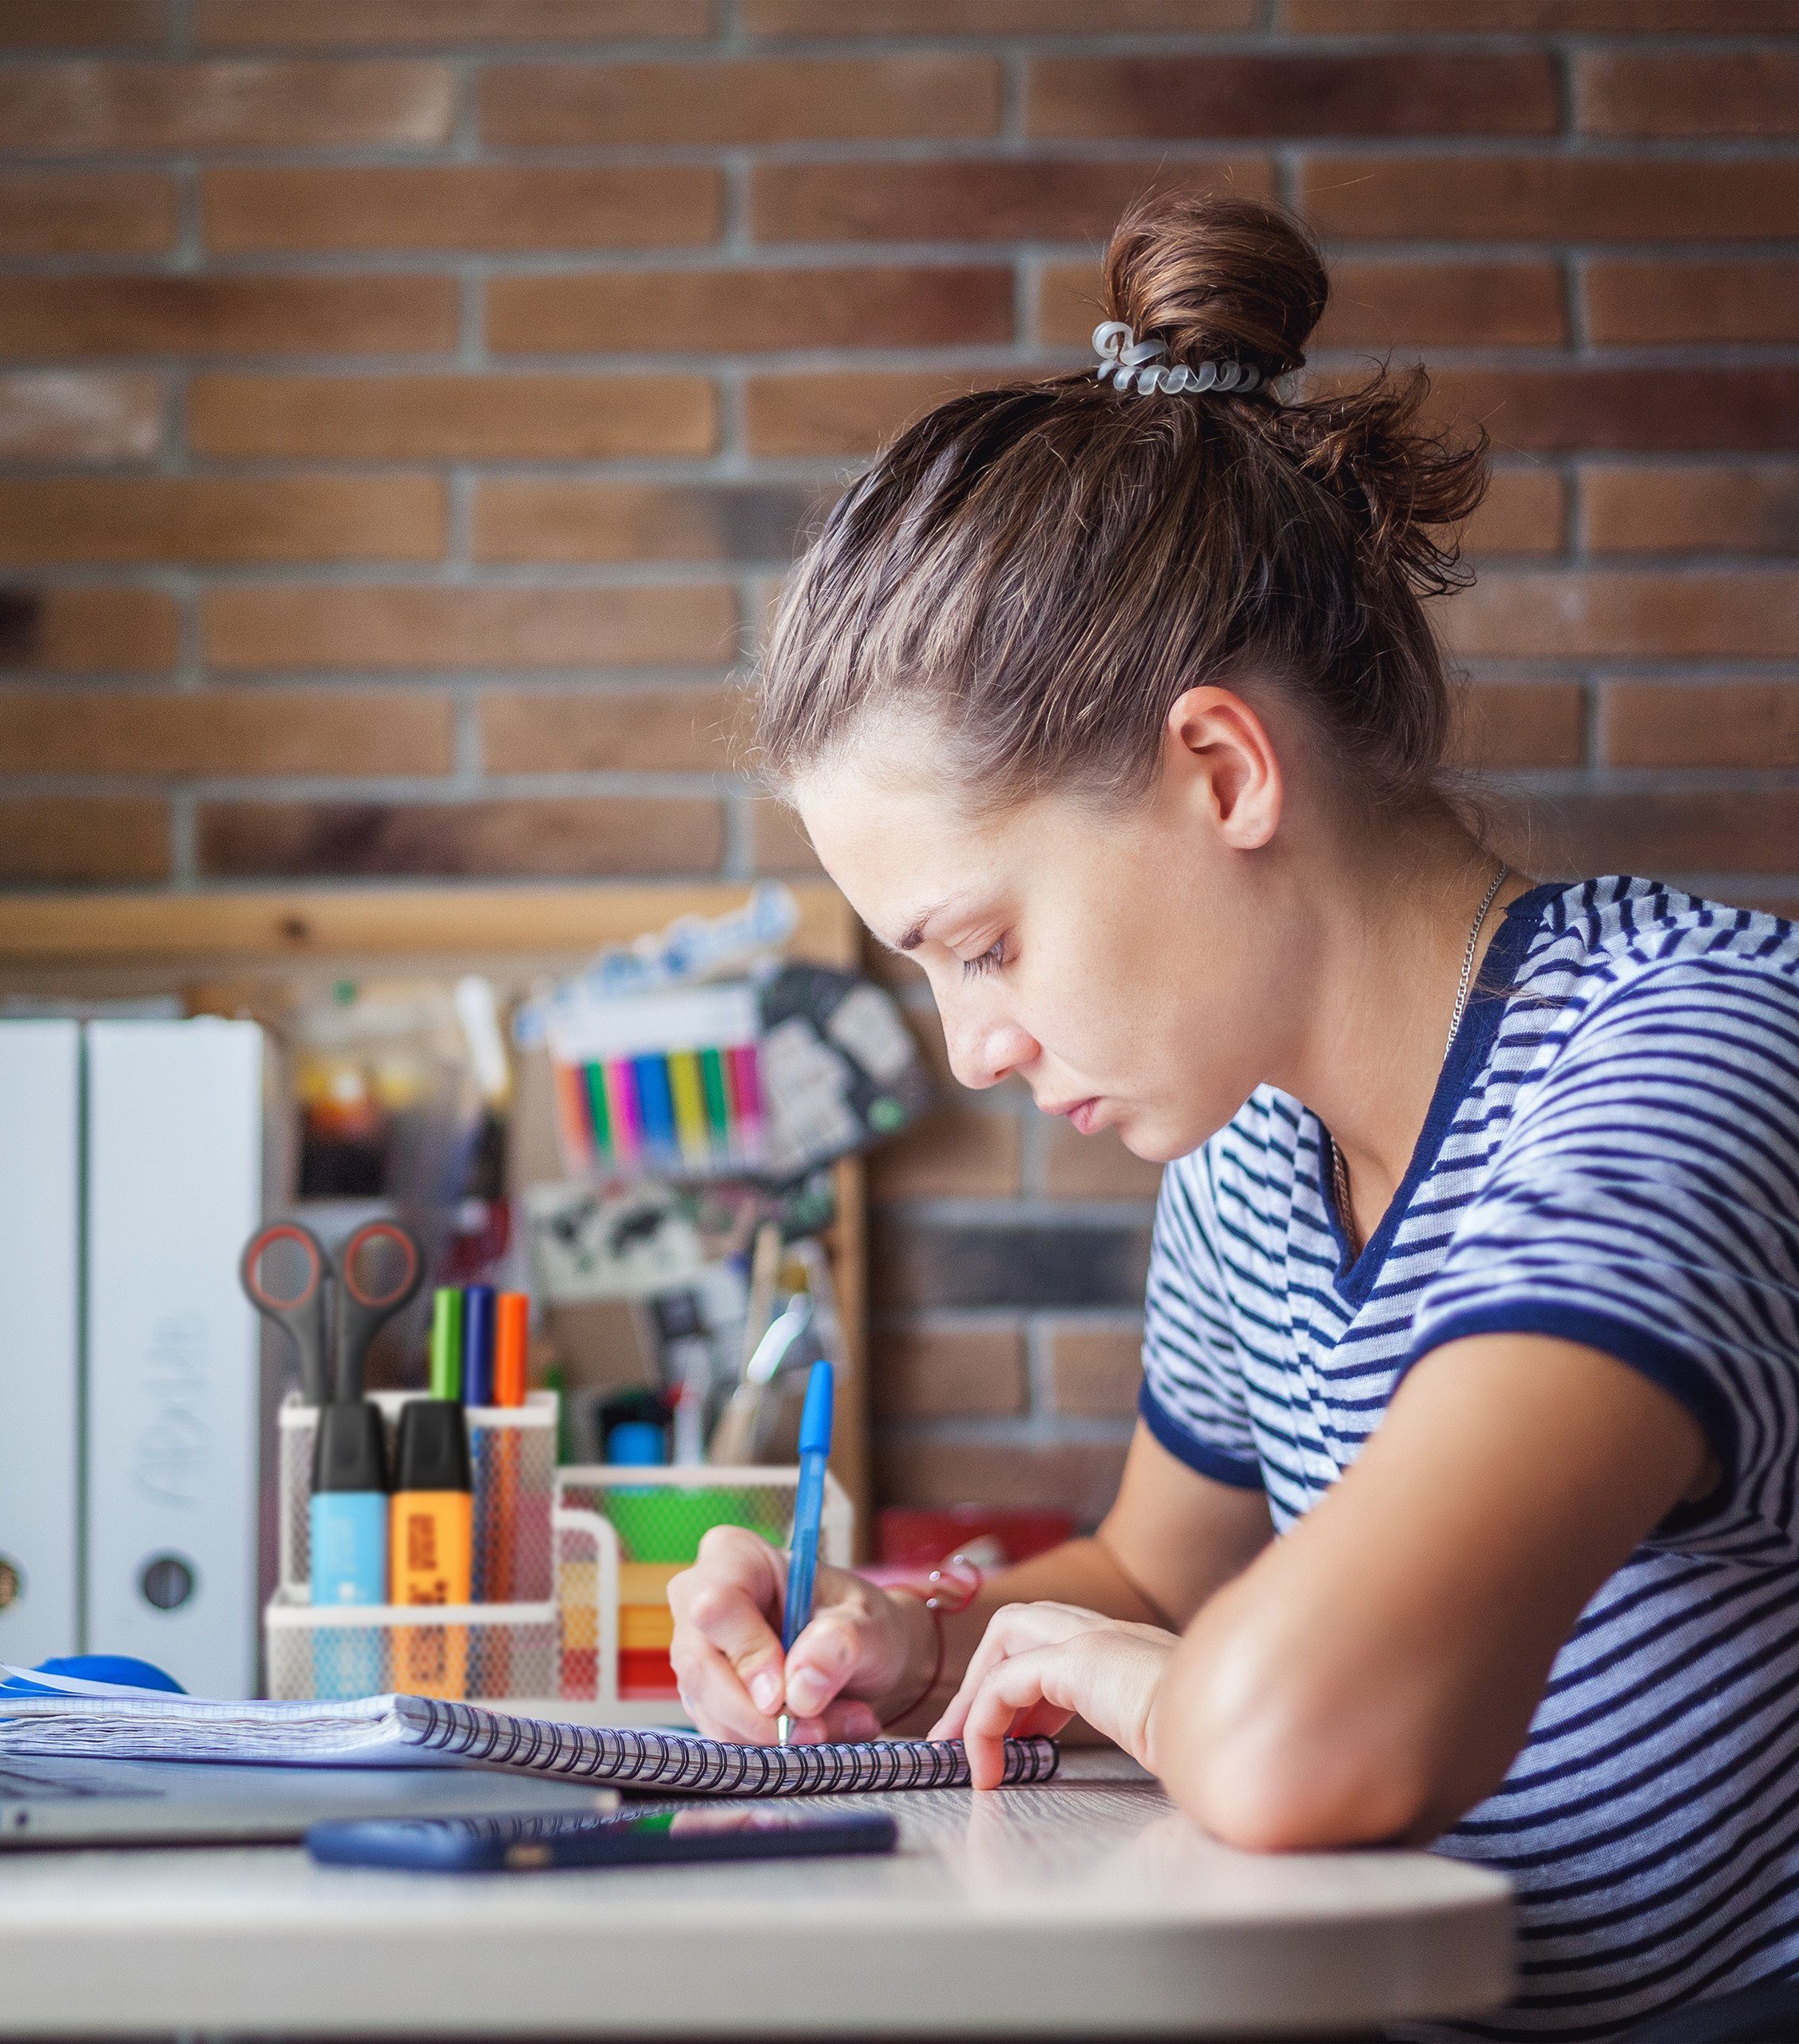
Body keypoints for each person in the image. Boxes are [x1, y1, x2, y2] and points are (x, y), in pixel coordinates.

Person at [667, 192, 1799, 2038]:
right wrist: (913, 1627)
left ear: (1217, 768)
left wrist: (1099, 1660)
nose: (968, 1049)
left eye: (986, 943)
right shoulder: (1251, 1153)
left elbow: (1289, 1733)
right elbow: (1156, 1576)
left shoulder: (1681, 1063)